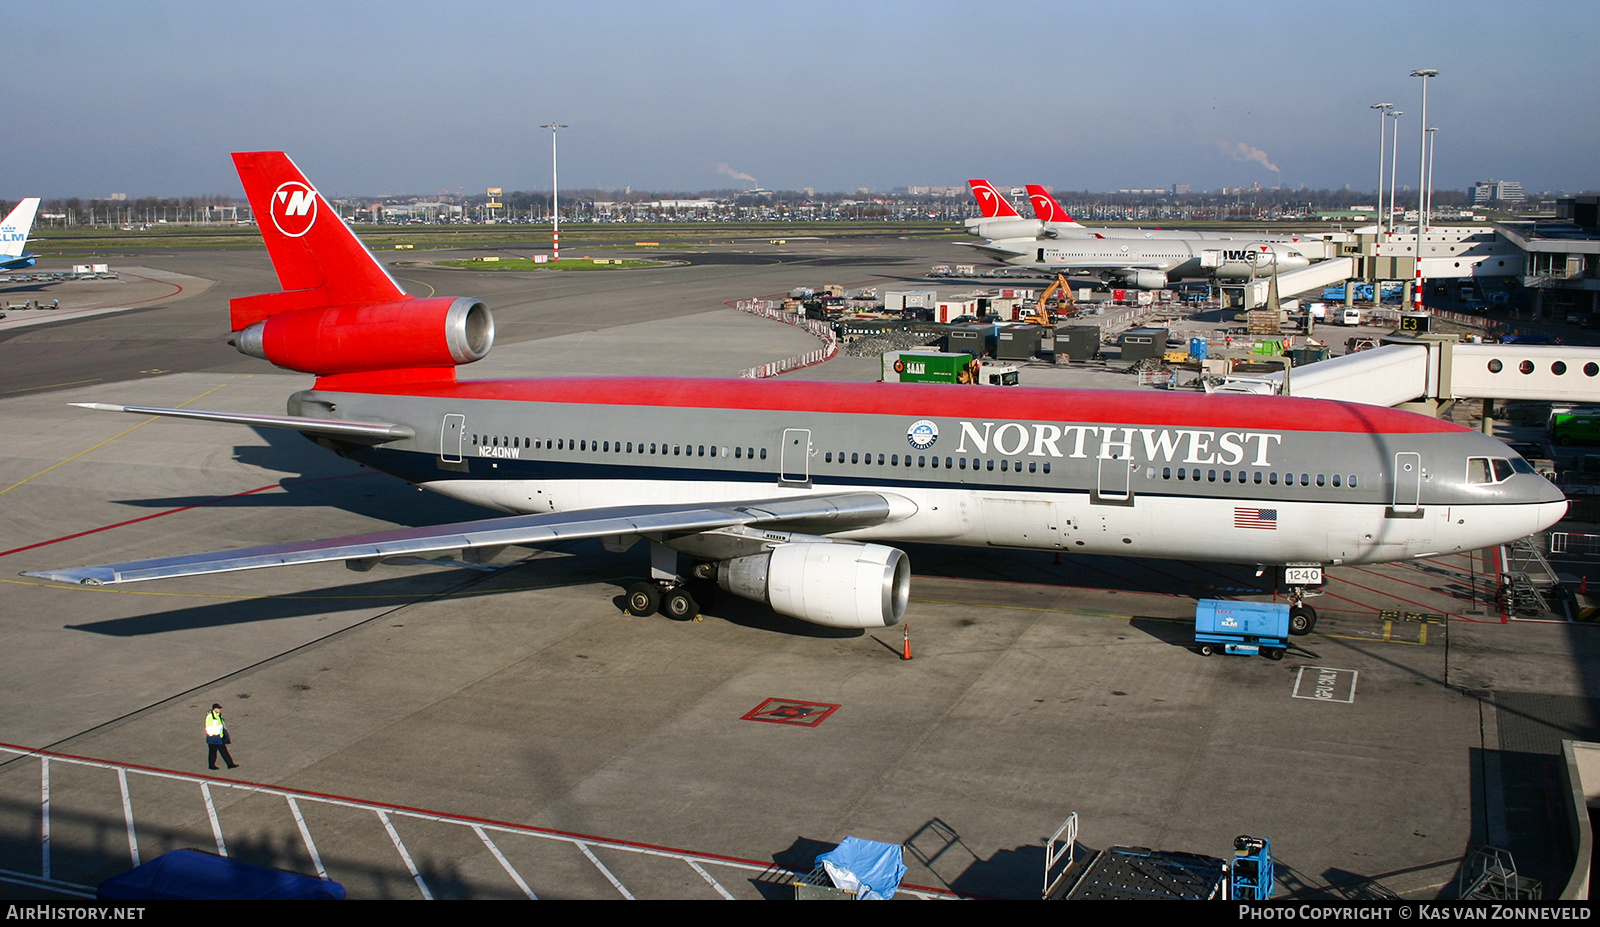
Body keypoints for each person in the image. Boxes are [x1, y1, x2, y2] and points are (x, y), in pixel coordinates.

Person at [205, 704, 237, 770]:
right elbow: (208, 728)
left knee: (222, 751)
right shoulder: (210, 717)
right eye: (218, 709)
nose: (220, 710)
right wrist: (213, 735)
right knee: (214, 752)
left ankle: (229, 764)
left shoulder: (218, 715)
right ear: (215, 709)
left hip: (219, 737)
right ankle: (212, 765)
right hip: (214, 738)